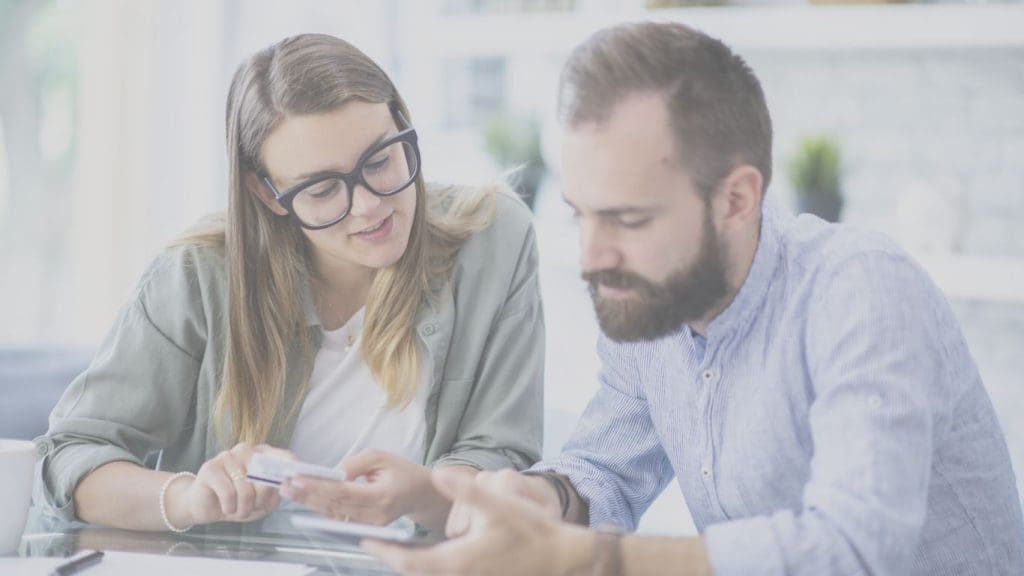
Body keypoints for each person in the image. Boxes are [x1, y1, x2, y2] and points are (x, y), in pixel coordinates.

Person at [364, 21, 1024, 576]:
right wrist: (538, 499)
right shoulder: (653, 303)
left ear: (736, 199)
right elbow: (603, 468)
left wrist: (587, 557)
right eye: (580, 215)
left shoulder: (861, 291)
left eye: (628, 219)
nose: (592, 258)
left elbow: (854, 548)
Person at [33, 33, 544, 534]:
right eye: (322, 190)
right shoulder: (198, 276)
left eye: (381, 161)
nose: (369, 206)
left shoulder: (494, 239)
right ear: (266, 193)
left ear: (404, 125)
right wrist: (190, 498)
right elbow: (68, 456)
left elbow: (501, 455)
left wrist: (427, 496)